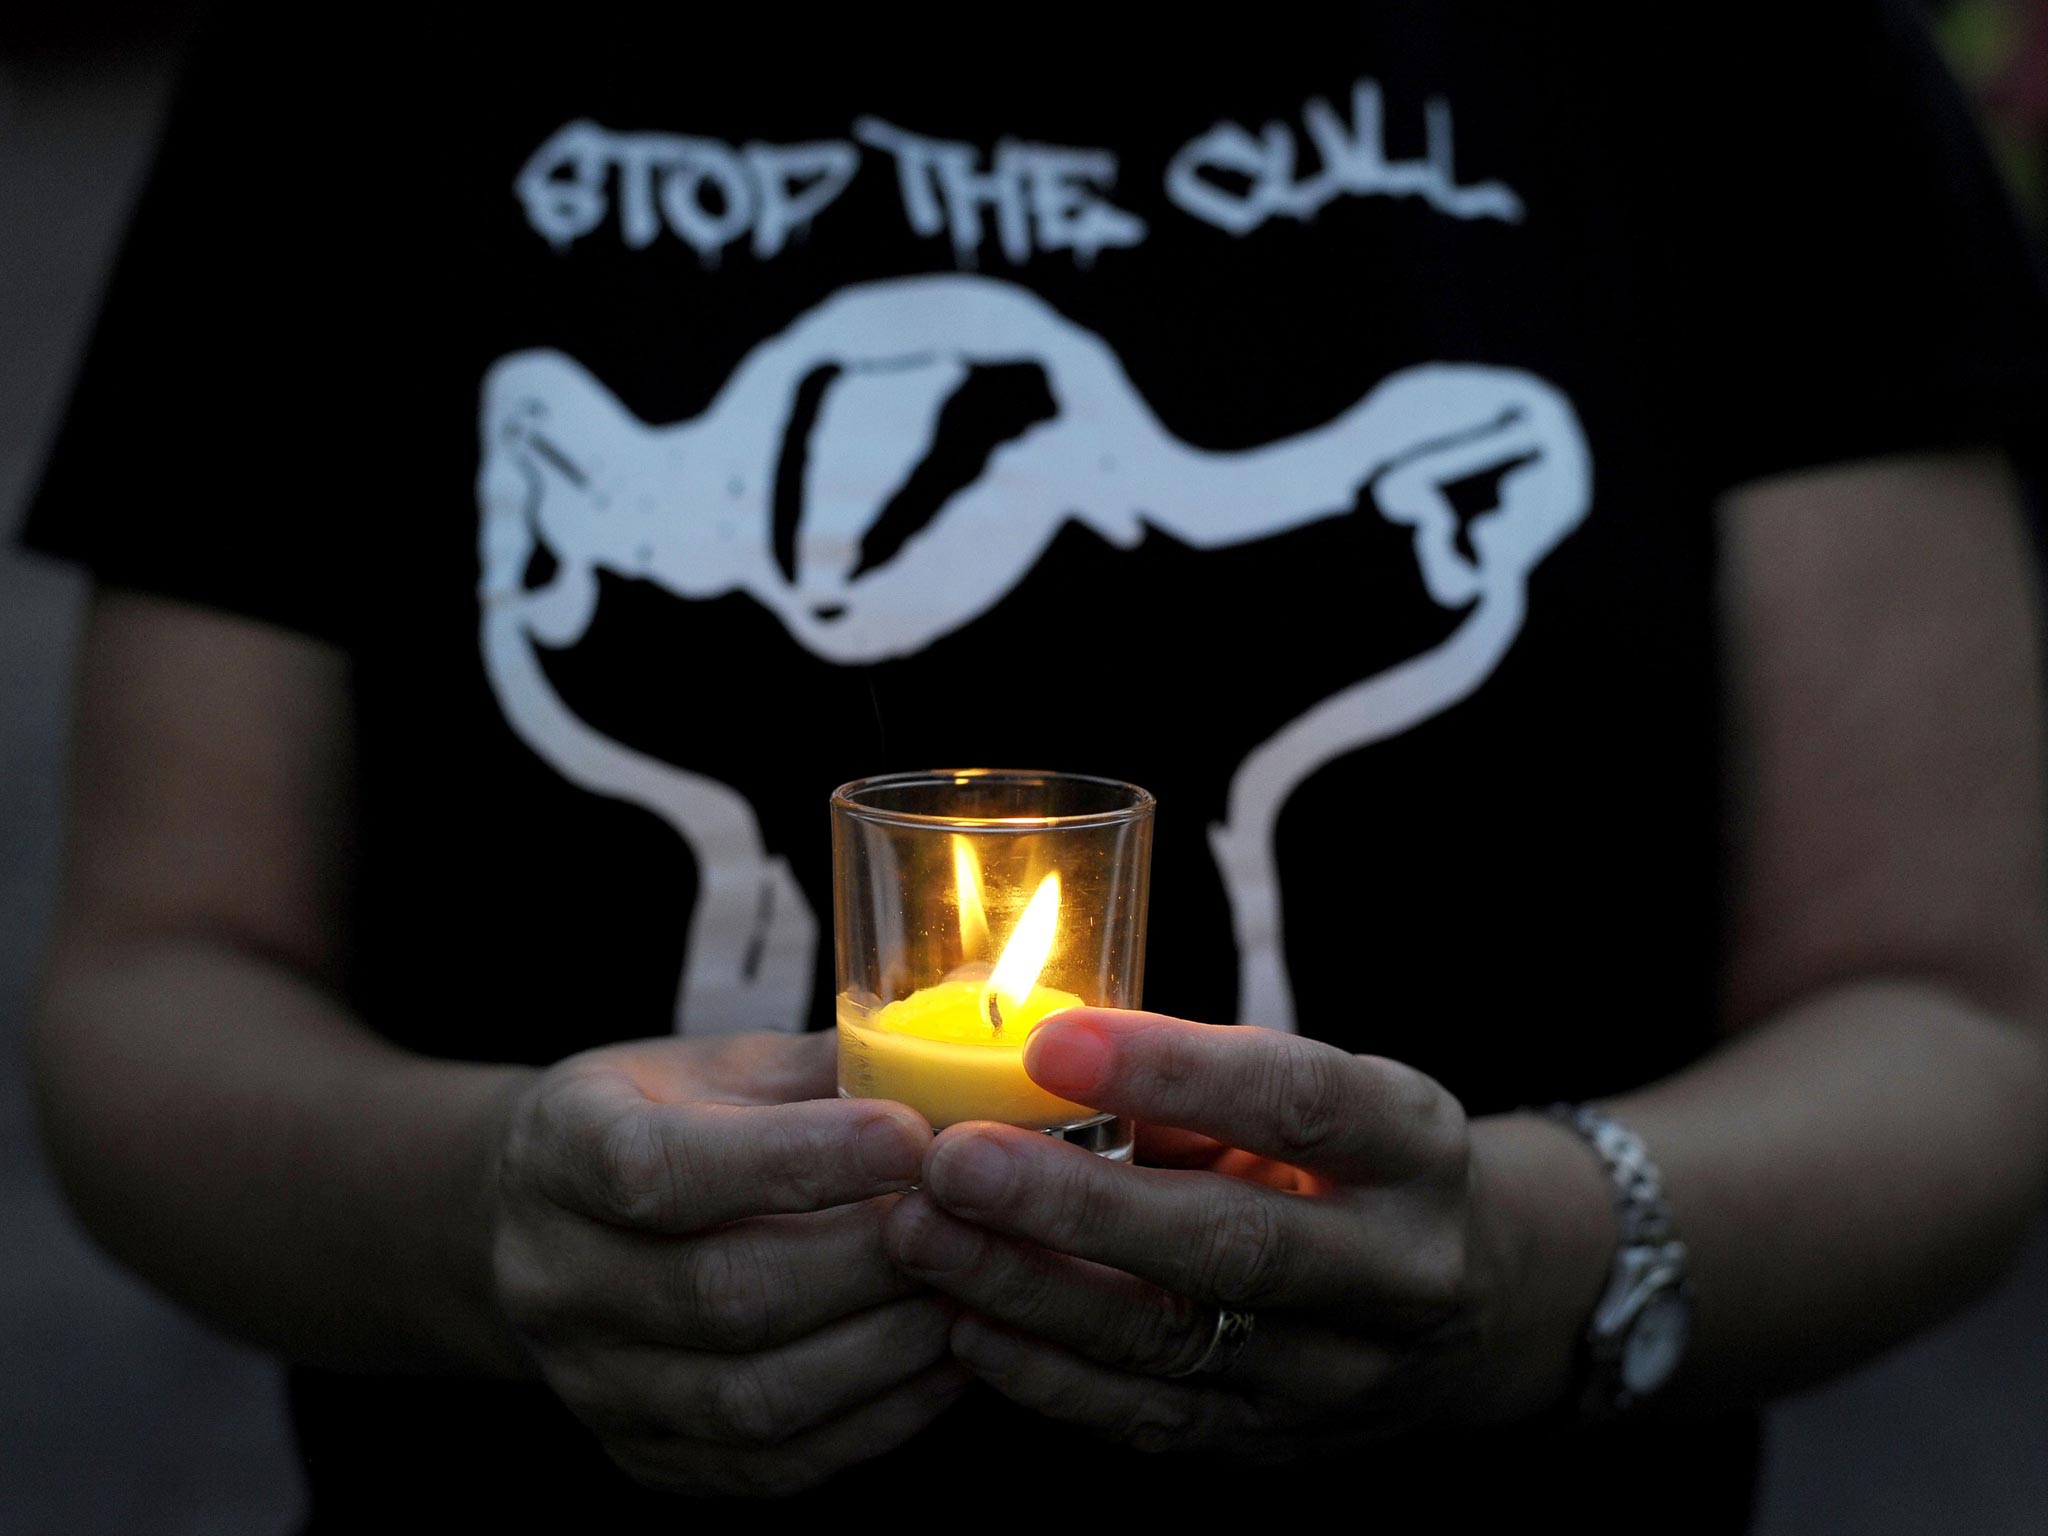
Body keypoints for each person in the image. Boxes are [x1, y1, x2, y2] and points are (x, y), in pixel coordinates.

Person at [20, 3, 2048, 1526]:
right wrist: (478, 1225)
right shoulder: (368, 47)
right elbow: (157, 987)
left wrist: (1519, 1267)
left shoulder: (1732, 40)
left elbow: (1957, 1022)